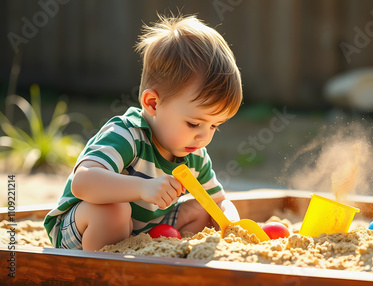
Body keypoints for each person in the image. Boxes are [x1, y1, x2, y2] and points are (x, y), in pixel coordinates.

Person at [44, 14, 243, 251]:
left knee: (200, 209)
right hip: (79, 229)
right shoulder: (127, 134)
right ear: (152, 104)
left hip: (139, 230)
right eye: (193, 123)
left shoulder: (195, 153)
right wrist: (142, 188)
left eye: (214, 126)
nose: (204, 136)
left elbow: (218, 202)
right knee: (116, 209)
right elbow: (83, 182)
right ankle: (100, 272)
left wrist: (234, 223)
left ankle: (157, 258)